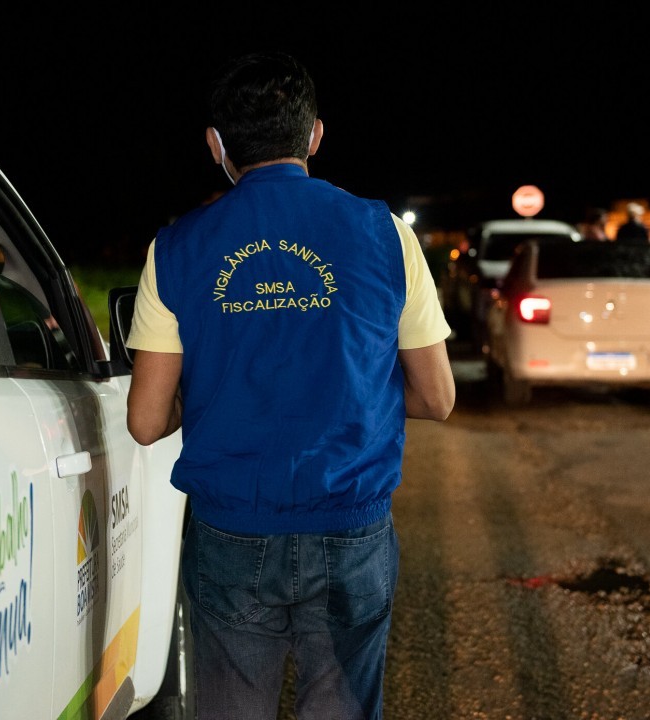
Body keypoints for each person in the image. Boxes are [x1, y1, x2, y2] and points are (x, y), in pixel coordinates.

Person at [124, 52, 456, 719]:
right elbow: (437, 398)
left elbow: (145, 420)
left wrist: (220, 398)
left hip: (230, 531)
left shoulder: (176, 247)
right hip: (350, 522)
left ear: (216, 145)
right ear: (313, 136)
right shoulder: (386, 234)